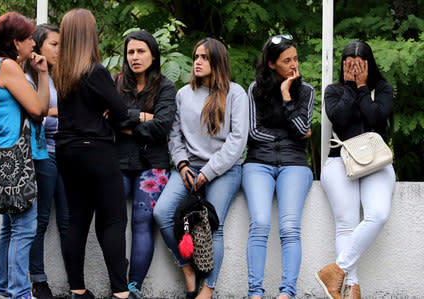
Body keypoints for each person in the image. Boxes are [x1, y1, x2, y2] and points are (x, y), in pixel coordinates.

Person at [153, 38, 249, 299]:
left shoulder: (236, 93)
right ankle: (188, 271)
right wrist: (182, 165)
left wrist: (208, 173)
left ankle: (208, 289)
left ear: (217, 61)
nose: (197, 61)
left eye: (204, 57)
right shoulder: (183, 94)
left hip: (224, 169)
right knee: (162, 213)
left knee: (212, 225)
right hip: (188, 167)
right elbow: (175, 136)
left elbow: (237, 141)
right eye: (196, 56)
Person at [53, 8, 131, 299]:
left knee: (76, 219)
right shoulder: (95, 71)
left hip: (66, 151)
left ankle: (78, 291)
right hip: (96, 150)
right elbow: (122, 113)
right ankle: (120, 293)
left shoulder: (60, 72)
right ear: (89, 35)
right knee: (112, 219)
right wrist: (107, 111)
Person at [315, 41, 394, 299]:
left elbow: (375, 119)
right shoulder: (333, 90)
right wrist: (349, 87)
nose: (354, 68)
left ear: (369, 64)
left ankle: (336, 270)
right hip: (341, 159)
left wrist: (362, 88)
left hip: (376, 161)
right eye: (349, 63)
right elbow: (339, 118)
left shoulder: (382, 89)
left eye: (360, 64)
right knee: (346, 224)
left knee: (378, 214)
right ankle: (351, 288)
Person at [241, 34, 314, 299]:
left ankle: (287, 293)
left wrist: (286, 96)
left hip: (294, 164)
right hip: (258, 163)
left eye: (295, 58)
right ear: (272, 64)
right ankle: (255, 293)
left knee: (289, 228)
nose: (294, 65)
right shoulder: (254, 90)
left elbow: (301, 129)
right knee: (259, 223)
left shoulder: (305, 92)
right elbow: (253, 132)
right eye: (287, 60)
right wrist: (289, 135)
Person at [0, 12, 50, 299]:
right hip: (17, 158)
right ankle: (19, 294)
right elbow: (38, 110)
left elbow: (39, 107)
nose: (34, 43)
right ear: (15, 42)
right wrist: (43, 76)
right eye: (28, 39)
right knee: (24, 227)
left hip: (3, 156)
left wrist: (42, 74)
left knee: (11, 227)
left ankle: (4, 291)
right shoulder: (8, 66)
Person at [115, 30, 177, 299]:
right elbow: (108, 120)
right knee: (113, 220)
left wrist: (126, 126)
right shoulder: (115, 83)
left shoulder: (166, 86)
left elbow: (162, 126)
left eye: (141, 51)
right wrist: (140, 116)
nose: (135, 57)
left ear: (153, 54)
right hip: (118, 161)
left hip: (153, 163)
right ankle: (118, 287)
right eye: (130, 52)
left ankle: (133, 287)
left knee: (142, 219)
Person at [24, 24, 69, 299]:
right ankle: (38, 281)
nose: (59, 50)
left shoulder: (61, 77)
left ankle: (75, 282)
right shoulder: (29, 78)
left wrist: (52, 111)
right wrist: (54, 111)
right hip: (42, 155)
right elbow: (35, 114)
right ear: (38, 46)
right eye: (54, 44)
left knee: (67, 221)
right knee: (40, 220)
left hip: (67, 153)